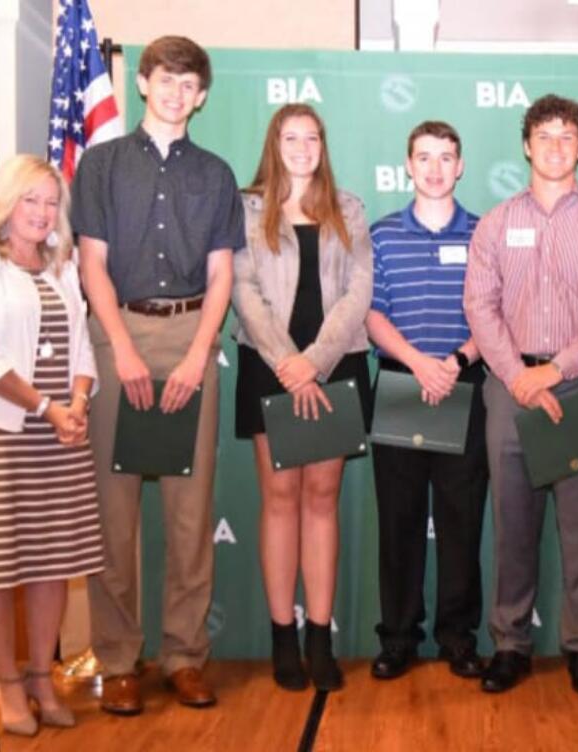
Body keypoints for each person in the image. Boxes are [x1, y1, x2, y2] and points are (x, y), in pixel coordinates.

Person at [72, 35, 245, 713]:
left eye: (188, 84)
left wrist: (201, 351)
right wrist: (123, 348)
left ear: (201, 96)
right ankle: (118, 660)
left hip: (192, 334)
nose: (176, 93)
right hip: (119, 333)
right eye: (164, 80)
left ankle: (183, 654)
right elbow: (91, 264)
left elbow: (223, 272)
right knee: (113, 515)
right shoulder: (103, 164)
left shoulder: (217, 174)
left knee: (189, 511)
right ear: (142, 83)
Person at [464, 94, 578, 697]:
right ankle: (510, 644)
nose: (556, 146)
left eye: (567, 136)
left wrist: (557, 369)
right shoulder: (495, 222)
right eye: (545, 136)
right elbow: (479, 306)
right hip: (511, 390)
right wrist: (519, 377)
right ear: (526, 145)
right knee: (512, 525)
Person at [0, 154, 101, 735]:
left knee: (52, 562)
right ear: (6, 203)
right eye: (30, 199)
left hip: (59, 433)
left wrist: (77, 404)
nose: (41, 212)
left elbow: (82, 343)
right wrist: (46, 407)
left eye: (51, 201)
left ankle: (41, 675)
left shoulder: (62, 264)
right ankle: (6, 682)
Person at [232, 103, 373, 691]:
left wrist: (313, 362)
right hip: (271, 365)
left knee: (322, 496)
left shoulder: (350, 209)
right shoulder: (246, 209)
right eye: (291, 137)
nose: (301, 147)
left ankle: (320, 636)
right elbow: (244, 289)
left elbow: (358, 290)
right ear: (275, 143)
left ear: (323, 144)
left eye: (311, 137)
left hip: (336, 364)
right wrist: (288, 362)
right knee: (281, 496)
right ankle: (282, 637)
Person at [365, 121, 486, 681]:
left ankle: (458, 636)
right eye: (424, 157)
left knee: (462, 522)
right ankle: (398, 637)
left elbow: (495, 317)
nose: (435, 168)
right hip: (400, 384)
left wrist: (454, 363)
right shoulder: (382, 235)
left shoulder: (484, 234)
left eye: (446, 157)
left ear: (460, 166)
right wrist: (418, 364)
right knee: (399, 520)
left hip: (463, 382)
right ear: (407, 166)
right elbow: (372, 314)